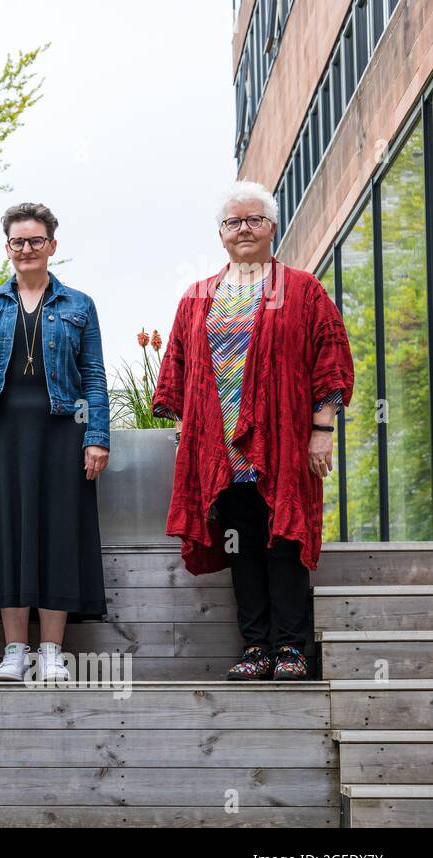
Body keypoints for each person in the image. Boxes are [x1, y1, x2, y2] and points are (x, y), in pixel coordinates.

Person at [152, 180, 354, 681]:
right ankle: (255, 646)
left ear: (272, 227)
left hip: (284, 442)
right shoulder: (199, 296)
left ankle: (291, 648)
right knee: (240, 542)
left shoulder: (304, 289)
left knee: (284, 539)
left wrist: (321, 429)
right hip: (220, 449)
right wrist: (189, 434)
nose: (243, 229)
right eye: (233, 222)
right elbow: (178, 367)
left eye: (253, 219)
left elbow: (330, 359)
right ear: (220, 233)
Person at [0, 203, 110, 682]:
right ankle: (15, 650)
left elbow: (94, 376)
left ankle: (53, 652)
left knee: (59, 532)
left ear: (52, 246)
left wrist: (97, 436)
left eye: (35, 241)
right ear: (7, 249)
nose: (26, 249)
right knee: (5, 533)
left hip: (63, 429)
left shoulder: (79, 305)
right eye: (18, 242)